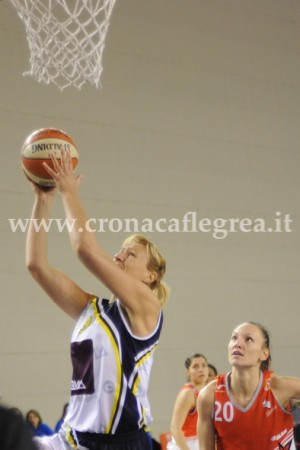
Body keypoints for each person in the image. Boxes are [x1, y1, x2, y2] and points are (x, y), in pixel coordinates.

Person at [26, 149, 169, 450]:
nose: (119, 255)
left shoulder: (147, 308)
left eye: (131, 253)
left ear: (150, 277)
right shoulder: (91, 309)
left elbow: (85, 249)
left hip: (119, 443)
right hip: (72, 438)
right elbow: (36, 265)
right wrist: (44, 199)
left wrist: (68, 191)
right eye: (121, 249)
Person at [197, 321, 300, 450]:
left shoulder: (280, 387)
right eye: (234, 338)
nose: (238, 344)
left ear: (264, 353)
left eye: (248, 339)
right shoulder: (209, 396)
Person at [168, 353, 209, 450]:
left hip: (200, 440)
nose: (201, 369)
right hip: (185, 443)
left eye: (204, 365)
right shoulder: (188, 393)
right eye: (195, 366)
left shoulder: (208, 391)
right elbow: (175, 428)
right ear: (188, 372)